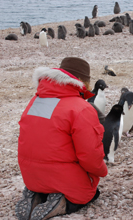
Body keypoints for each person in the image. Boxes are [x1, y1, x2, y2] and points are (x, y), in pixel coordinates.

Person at [15, 57, 108, 219]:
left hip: (31, 176)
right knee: (91, 193)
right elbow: (89, 155)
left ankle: (38, 195)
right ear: (82, 81)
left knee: (49, 172)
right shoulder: (81, 108)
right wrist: (101, 171)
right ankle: (61, 204)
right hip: (61, 179)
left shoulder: (35, 101)